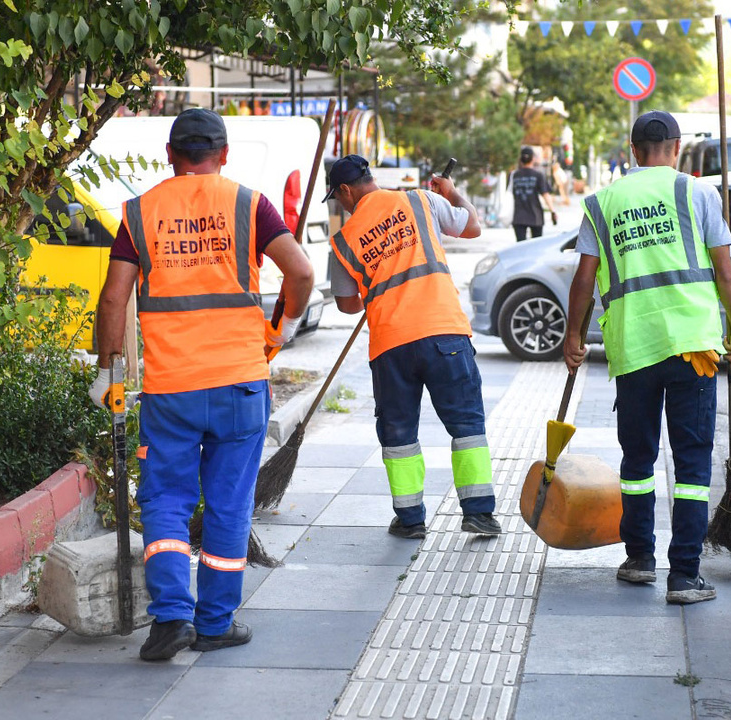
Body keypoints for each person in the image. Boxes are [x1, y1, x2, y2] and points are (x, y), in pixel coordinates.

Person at [89, 108, 314, 661]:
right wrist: (280, 328)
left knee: (165, 498)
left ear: (170, 155)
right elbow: (302, 273)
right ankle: (215, 622)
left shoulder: (141, 214)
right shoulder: (249, 204)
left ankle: (170, 619)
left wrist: (106, 368)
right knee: (229, 505)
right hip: (240, 383)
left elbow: (115, 297)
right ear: (225, 153)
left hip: (172, 390)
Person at [563, 111, 731, 605]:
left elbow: (584, 278)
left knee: (637, 459)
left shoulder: (603, 203)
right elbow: (726, 274)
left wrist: (573, 335)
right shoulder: (698, 193)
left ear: (631, 147)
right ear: (677, 146)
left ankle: (640, 558)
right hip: (693, 346)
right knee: (690, 464)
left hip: (633, 346)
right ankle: (684, 575)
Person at [326, 154, 501, 539]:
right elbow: (472, 226)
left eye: (337, 199)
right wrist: (453, 193)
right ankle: (479, 514)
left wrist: (374, 286)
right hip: (445, 333)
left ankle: (410, 520)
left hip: (391, 344)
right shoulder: (422, 201)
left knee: (399, 433)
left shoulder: (341, 243)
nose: (340, 205)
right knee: (467, 425)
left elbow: (347, 304)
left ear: (345, 190)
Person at [510, 147, 558, 241]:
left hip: (519, 216)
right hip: (535, 216)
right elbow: (545, 195)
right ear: (533, 159)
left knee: (520, 247)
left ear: (521, 159)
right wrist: (553, 211)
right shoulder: (538, 175)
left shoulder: (515, 175)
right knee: (536, 247)